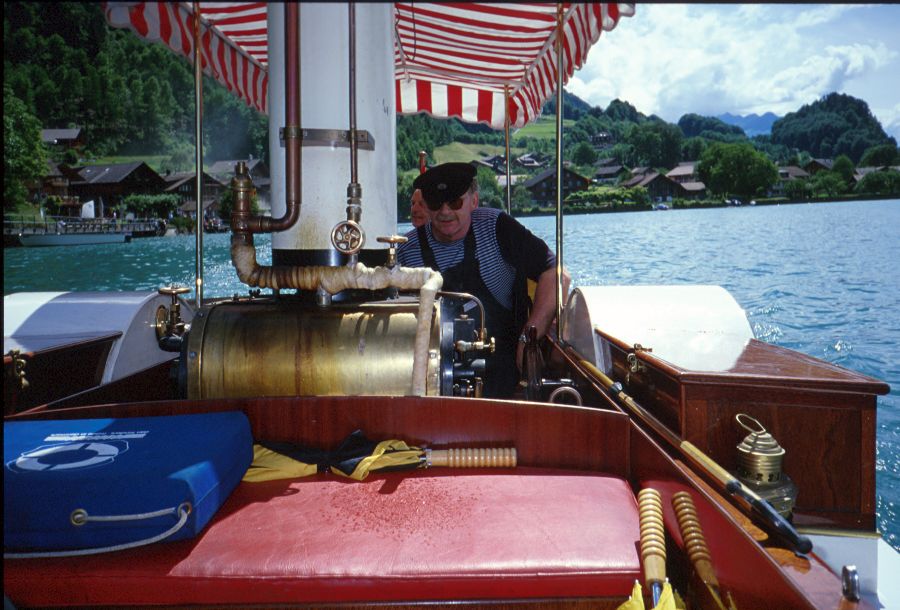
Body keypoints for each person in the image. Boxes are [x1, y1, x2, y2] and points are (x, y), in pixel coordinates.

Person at [397, 162, 570, 398]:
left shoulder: (496, 227)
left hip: (506, 372)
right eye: (437, 204)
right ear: (426, 205)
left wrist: (528, 336)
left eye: (455, 202)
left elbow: (555, 272)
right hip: (434, 380)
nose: (446, 211)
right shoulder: (407, 250)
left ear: (474, 202)